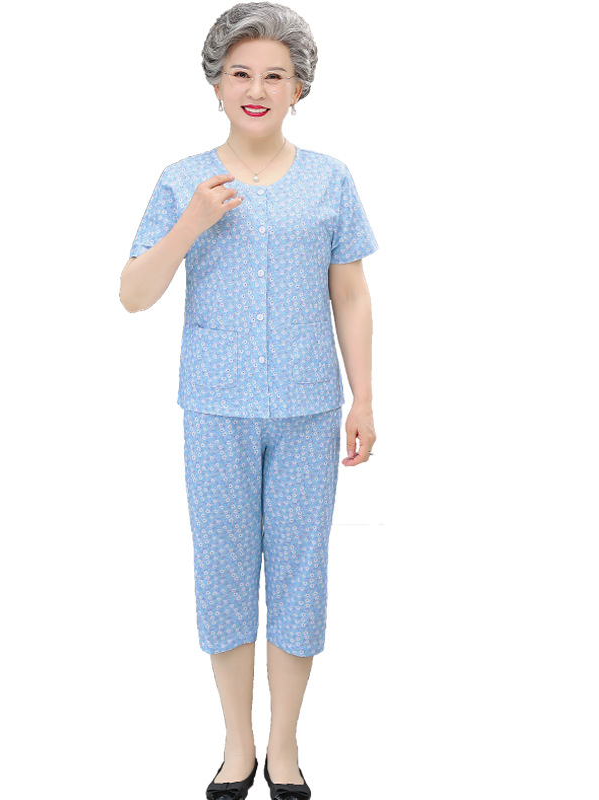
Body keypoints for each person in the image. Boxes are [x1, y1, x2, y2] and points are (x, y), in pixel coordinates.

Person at [119, 3, 378, 798]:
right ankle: (237, 746)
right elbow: (133, 294)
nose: (256, 89)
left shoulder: (331, 178)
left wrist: (364, 398)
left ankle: (285, 747)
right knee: (224, 573)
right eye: (241, 74)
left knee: (301, 576)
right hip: (216, 408)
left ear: (299, 87)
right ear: (216, 84)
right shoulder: (182, 180)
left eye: (274, 75)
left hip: (307, 410)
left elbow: (350, 294)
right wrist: (191, 223)